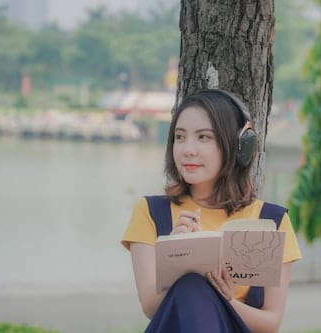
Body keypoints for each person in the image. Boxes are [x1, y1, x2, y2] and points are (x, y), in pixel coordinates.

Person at [121, 89, 302, 333]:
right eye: (180, 137)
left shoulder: (272, 221)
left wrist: (226, 299)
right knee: (190, 287)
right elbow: (151, 309)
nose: (188, 150)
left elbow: (270, 324)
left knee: (196, 288)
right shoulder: (152, 212)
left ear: (239, 145)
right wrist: (174, 258)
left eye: (204, 137)